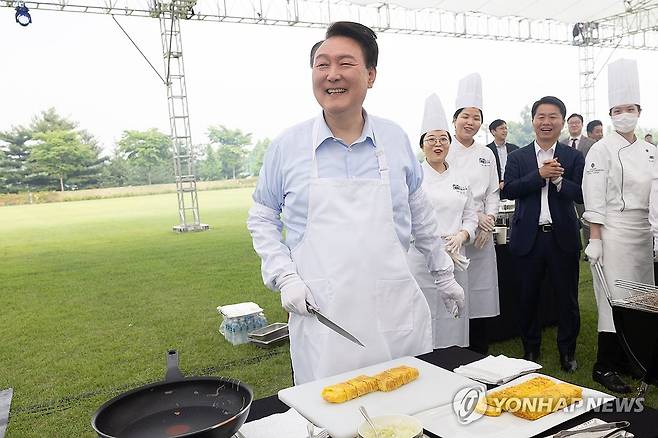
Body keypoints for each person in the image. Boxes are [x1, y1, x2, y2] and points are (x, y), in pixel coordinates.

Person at [246, 22, 464, 385]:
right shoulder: (288, 146)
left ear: (371, 74)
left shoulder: (394, 139)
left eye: (345, 63)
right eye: (322, 64)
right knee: (331, 412)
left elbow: (420, 214)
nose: (332, 75)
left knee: (405, 408)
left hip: (392, 313)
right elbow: (262, 216)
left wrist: (443, 274)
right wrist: (285, 277)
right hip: (324, 316)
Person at [583, 58, 655, 393]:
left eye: (630, 108)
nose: (624, 114)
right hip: (612, 233)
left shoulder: (650, 151)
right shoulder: (601, 149)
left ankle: (632, 358)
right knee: (613, 300)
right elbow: (593, 194)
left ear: (639, 110)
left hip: (643, 233)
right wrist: (595, 237)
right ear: (611, 114)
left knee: (641, 301)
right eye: (617, 109)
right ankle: (604, 366)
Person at [502, 96, 584, 372]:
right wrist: (539, 175)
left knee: (567, 298)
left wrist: (559, 180)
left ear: (562, 121)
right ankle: (530, 348)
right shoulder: (518, 157)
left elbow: (583, 193)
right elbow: (509, 190)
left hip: (562, 237)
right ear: (533, 120)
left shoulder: (573, 157)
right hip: (529, 237)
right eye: (541, 116)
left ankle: (567, 352)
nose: (546, 122)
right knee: (528, 296)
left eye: (553, 117)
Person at [407, 93, 478, 349]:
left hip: (456, 255)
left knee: (454, 314)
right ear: (422, 144)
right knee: (423, 313)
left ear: (449, 143)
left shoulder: (461, 178)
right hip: (421, 257)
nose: (437, 144)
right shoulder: (414, 177)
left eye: (443, 139)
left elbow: (470, 216)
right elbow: (406, 218)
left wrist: (462, 235)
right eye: (431, 140)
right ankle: (423, 360)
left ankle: (455, 360)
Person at [446, 73, 500, 355]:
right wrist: (474, 216)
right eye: (465, 116)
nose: (470, 122)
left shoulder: (486, 153)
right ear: (455, 120)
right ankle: (456, 349)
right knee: (456, 290)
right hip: (456, 232)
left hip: (483, 236)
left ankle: (480, 349)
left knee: (480, 293)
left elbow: (493, 191)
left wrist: (488, 220)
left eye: (476, 117)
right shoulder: (444, 149)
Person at [486, 119, 519, 193]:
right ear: (493, 132)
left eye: (506, 128)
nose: (505, 131)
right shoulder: (487, 150)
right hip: (493, 188)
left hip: (512, 186)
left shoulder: (515, 149)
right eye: (501, 128)